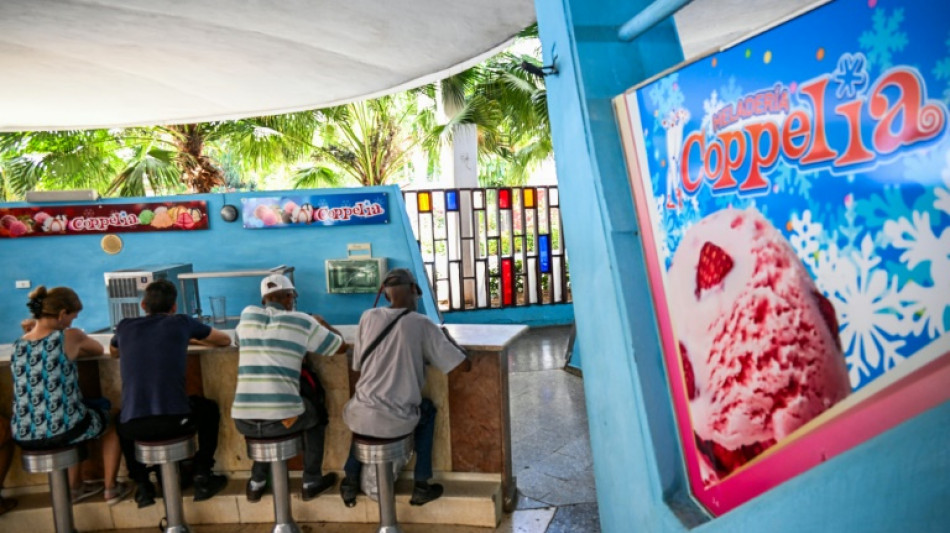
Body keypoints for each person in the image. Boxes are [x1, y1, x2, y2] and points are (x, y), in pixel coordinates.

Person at [340, 268, 470, 507]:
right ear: (413, 289)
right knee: (427, 411)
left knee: (366, 408)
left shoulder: (367, 317)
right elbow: (462, 367)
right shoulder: (421, 324)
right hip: (395, 421)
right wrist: (449, 341)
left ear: (386, 294)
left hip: (358, 414)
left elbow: (357, 364)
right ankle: (421, 484)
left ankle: (349, 479)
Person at [109, 279, 232, 508]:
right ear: (174, 307)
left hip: (135, 426)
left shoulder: (125, 326)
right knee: (208, 409)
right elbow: (224, 340)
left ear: (143, 305)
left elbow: (113, 351)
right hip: (175, 422)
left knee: (122, 419)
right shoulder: (180, 323)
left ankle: (143, 484)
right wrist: (189, 338)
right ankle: (202, 474)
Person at [9, 286, 130, 505]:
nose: (72, 322)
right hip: (65, 429)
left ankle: (75, 488)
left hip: (23, 433)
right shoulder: (70, 336)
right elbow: (95, 350)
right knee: (112, 419)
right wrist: (75, 343)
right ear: (62, 313)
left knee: (76, 415)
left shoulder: (18, 344)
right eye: (72, 317)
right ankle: (110, 489)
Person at [232, 274, 348, 502]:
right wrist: (321, 323)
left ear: (264, 299)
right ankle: (311, 479)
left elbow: (239, 341)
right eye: (293, 296)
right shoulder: (302, 322)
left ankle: (256, 482)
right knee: (315, 414)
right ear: (289, 297)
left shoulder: (246, 317)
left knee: (265, 421)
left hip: (242, 420)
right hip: (283, 420)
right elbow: (340, 347)